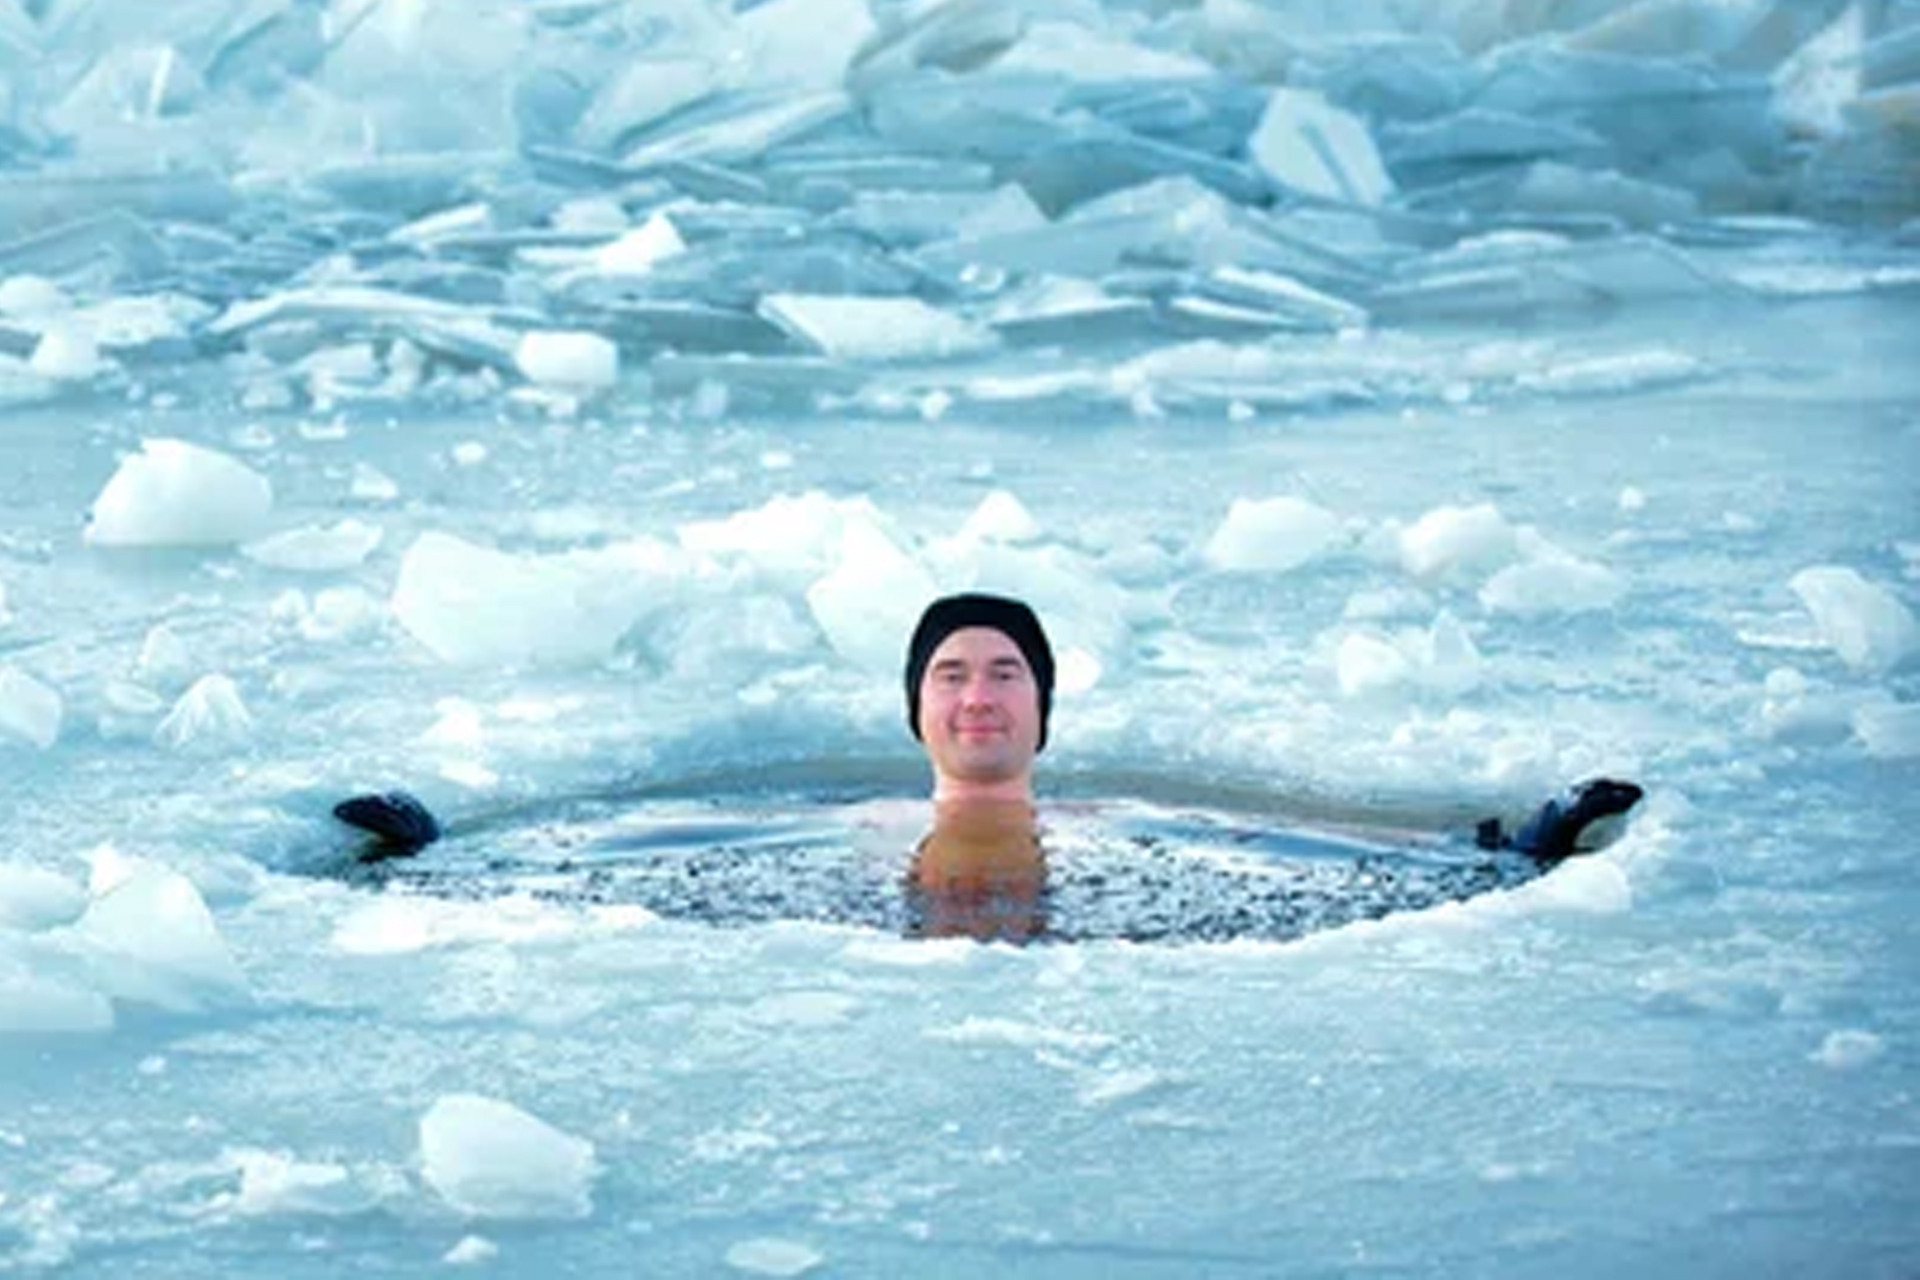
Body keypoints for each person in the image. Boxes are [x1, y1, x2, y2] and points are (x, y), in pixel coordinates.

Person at [898, 592, 1054, 940]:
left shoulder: (1103, 834)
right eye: (952, 677)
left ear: (1041, 705)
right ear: (917, 707)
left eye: (1003, 676)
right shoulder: (865, 835)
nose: (978, 700)